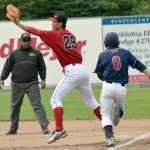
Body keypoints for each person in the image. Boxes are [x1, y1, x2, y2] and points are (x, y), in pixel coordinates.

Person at [8, 15, 102, 143]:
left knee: (55, 99)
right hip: (82, 70)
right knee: (91, 100)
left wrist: (18, 23)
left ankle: (59, 129)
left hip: (72, 70)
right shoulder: (70, 35)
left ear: (61, 23)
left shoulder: (55, 34)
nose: (52, 24)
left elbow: (34, 31)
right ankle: (106, 122)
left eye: (54, 22)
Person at [94, 32, 150, 148]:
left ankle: (110, 138)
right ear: (117, 42)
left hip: (107, 87)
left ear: (106, 43)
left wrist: (104, 77)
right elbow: (138, 65)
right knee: (120, 116)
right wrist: (148, 74)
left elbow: (99, 73)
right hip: (121, 88)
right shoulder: (125, 53)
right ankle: (119, 112)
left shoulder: (102, 55)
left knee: (105, 116)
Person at [0, 33, 49, 135]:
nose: (26, 42)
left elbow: (42, 68)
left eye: (28, 40)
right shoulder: (14, 54)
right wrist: (2, 78)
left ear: (30, 41)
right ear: (21, 41)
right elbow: (7, 67)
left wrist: (43, 79)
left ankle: (44, 126)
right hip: (16, 84)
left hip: (32, 83)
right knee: (15, 106)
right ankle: (13, 129)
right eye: (24, 40)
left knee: (37, 105)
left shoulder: (36, 53)